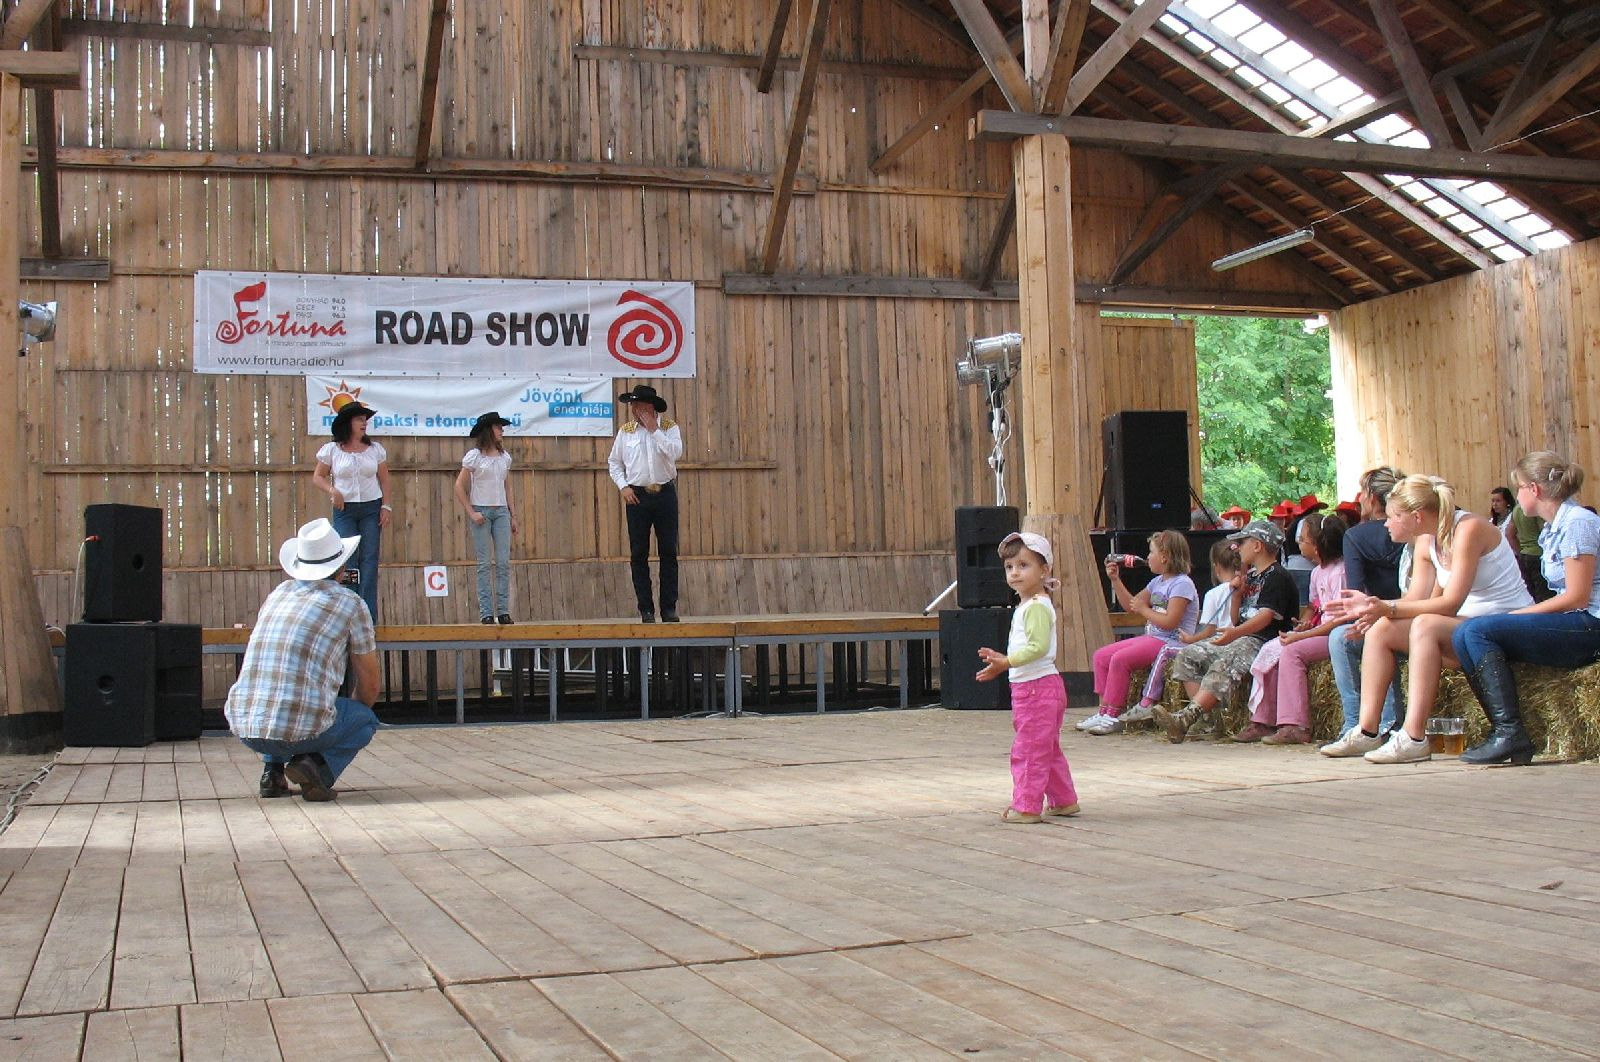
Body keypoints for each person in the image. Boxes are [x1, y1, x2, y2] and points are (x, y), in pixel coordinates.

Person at [1320, 474, 1531, 764]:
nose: (1386, 523)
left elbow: (1449, 602)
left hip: (1501, 626)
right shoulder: (1425, 540)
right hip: (1464, 629)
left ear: (1416, 516)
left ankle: (1413, 737)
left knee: (1424, 624)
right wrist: (1373, 608)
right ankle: (1367, 730)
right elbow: (1415, 600)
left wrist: (1385, 606)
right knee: (1382, 629)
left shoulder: (1469, 529)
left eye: (1393, 516)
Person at [1453, 452, 1600, 765]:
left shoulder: (1578, 524)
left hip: (1591, 623)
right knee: (1463, 632)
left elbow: (1577, 596)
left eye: (1518, 488)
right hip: (1576, 619)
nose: (1516, 496)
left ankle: (1510, 732)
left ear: (1533, 490)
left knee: (1478, 630)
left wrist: (1516, 616)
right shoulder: (1554, 527)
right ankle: (1503, 730)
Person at [225, 519, 381, 802]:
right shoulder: (352, 603)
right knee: (363, 720)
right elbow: (369, 686)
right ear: (342, 567)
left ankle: (271, 773)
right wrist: (335, 724)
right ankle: (317, 769)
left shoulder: (279, 594)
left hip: (245, 724)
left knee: (278, 694)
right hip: (298, 727)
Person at [1155, 520, 1299, 743]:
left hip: (1262, 640)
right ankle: (1206, 721)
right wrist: (1237, 594)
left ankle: (1187, 717)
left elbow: (1265, 617)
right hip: (1242, 636)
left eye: (1242, 543)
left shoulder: (1277, 576)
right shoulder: (1250, 576)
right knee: (1187, 655)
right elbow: (1234, 618)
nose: (1238, 548)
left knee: (1225, 662)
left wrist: (1235, 633)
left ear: (1257, 546)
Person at [976, 532, 1079, 824]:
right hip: (1040, 688)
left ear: (1044, 569)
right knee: (1046, 746)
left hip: (1036, 690)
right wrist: (1005, 660)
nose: (1015, 572)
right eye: (1009, 567)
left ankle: (1027, 806)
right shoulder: (1031, 604)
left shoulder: (1035, 606)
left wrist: (1005, 662)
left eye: (1024, 565)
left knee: (1030, 749)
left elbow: (1037, 648)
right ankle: (1064, 800)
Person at [1233, 515, 1346, 745]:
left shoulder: (1341, 572)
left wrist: (1304, 634)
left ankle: (1295, 724)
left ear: (1318, 544)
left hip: (1335, 633)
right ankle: (1263, 719)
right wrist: (1304, 622)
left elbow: (1339, 619)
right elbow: (1314, 608)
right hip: (1319, 630)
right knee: (1272, 649)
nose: (1298, 544)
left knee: (1292, 652)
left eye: (1303, 539)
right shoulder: (1317, 573)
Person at [1082, 531, 1197, 735]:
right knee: (1101, 656)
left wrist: (1145, 610)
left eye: (1151, 552)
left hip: (1170, 641)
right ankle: (1103, 711)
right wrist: (1116, 580)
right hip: (1152, 637)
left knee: (1120, 659)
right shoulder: (1157, 582)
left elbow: (1170, 622)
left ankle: (1114, 714)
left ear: (1165, 556)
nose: (1148, 557)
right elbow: (1131, 606)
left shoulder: (1182, 584)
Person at [1328, 466, 1407, 737]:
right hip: (1414, 613)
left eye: (1362, 493)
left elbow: (1354, 591)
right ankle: (1390, 723)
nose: (1358, 498)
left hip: (1382, 616)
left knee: (1341, 639)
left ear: (1372, 498)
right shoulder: (1415, 530)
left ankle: (1356, 724)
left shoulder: (1355, 536)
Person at [607, 384, 683, 622]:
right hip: (637, 495)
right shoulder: (626, 431)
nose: (634, 409)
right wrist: (623, 486)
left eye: (638, 405)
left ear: (650, 407)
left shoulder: (669, 428)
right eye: (633, 405)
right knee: (638, 553)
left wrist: (654, 431)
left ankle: (668, 608)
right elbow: (614, 462)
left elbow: (676, 453)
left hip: (664, 493)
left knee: (668, 551)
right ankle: (646, 609)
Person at [312, 401, 390, 621]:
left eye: (365, 419)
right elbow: (317, 476)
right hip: (344, 509)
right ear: (348, 423)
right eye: (359, 419)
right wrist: (332, 490)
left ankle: (368, 614)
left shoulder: (375, 450)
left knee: (370, 558)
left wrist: (386, 506)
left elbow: (385, 480)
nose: (364, 423)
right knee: (348, 559)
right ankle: (349, 612)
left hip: (371, 507)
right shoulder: (332, 450)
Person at [454, 412, 517, 624]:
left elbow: (507, 486)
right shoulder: (475, 456)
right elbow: (459, 486)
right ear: (489, 430)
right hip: (481, 510)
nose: (502, 431)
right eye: (499, 427)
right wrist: (472, 511)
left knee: (502, 562)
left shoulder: (504, 458)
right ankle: (486, 612)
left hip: (501, 512)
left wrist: (512, 515)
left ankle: (503, 610)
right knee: (483, 563)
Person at [1505, 498, 1551, 601]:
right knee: (1544, 595)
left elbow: (1509, 534)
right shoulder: (1536, 510)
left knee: (1530, 593)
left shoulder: (1517, 509)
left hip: (1524, 554)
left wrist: (1520, 551)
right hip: (1539, 554)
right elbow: (1544, 531)